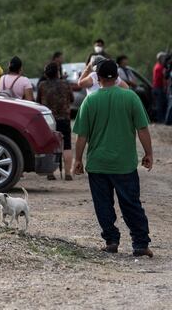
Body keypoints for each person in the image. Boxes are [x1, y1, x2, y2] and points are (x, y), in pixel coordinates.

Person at [72, 59, 154, 258]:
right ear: (117, 77)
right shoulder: (130, 97)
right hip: (124, 164)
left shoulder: (90, 101)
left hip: (98, 164)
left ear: (97, 78)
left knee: (103, 204)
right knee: (131, 204)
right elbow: (142, 129)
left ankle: (111, 241)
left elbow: (81, 136)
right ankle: (140, 244)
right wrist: (148, 153)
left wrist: (78, 160)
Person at [37, 62, 74, 181]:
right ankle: (68, 173)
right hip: (64, 118)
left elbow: (38, 102)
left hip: (49, 120)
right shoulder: (66, 84)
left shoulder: (42, 85)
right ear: (58, 72)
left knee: (51, 146)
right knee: (67, 145)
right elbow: (72, 99)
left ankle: (50, 173)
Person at [152, 52, 168, 123]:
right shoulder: (160, 67)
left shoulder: (157, 66)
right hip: (159, 88)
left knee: (160, 104)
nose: (165, 59)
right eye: (164, 58)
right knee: (160, 105)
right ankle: (160, 120)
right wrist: (165, 87)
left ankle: (161, 119)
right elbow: (161, 78)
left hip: (157, 87)